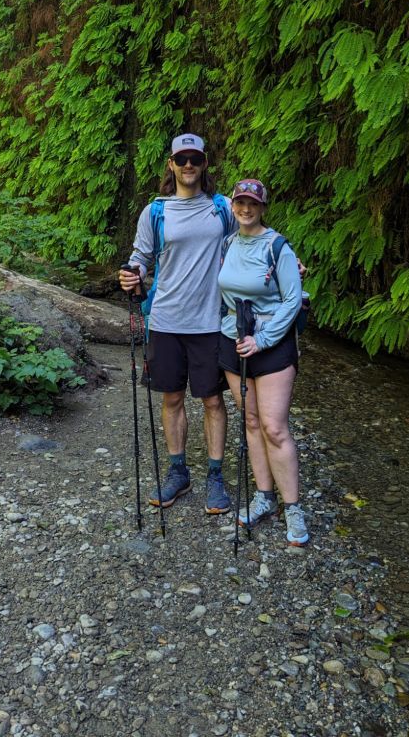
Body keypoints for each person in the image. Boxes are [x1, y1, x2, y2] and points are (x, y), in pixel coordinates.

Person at [119, 133, 235, 515]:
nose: (188, 165)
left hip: (210, 322)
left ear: (204, 164)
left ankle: (215, 476)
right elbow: (141, 257)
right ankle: (178, 471)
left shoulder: (223, 209)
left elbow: (253, 242)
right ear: (171, 164)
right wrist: (131, 276)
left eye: (195, 159)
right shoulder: (156, 211)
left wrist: (287, 263)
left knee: (213, 400)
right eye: (181, 159)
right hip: (166, 320)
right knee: (171, 397)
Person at [218, 179, 309, 547]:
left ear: (262, 207)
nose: (245, 208)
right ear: (234, 205)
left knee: (274, 427)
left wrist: (264, 340)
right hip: (232, 339)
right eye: (240, 202)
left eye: (252, 203)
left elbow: (292, 299)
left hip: (270, 345)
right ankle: (263, 497)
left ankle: (294, 508)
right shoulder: (227, 244)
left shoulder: (277, 247)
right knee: (251, 421)